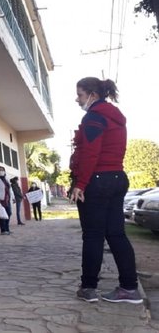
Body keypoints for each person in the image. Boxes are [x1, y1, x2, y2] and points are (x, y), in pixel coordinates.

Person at [69, 77, 142, 304]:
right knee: (116, 233)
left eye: (80, 94)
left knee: (93, 235)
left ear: (92, 94)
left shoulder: (94, 117)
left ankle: (89, 288)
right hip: (118, 177)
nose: (77, 99)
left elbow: (92, 153)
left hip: (97, 180)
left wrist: (80, 184)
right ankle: (129, 288)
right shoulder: (116, 118)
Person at [0, 166, 14, 235]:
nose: (1, 171)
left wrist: (13, 197)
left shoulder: (6, 179)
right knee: (3, 214)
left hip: (7, 199)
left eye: (2, 170)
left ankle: (7, 229)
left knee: (9, 213)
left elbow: (10, 189)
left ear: (4, 171)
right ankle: (3, 230)